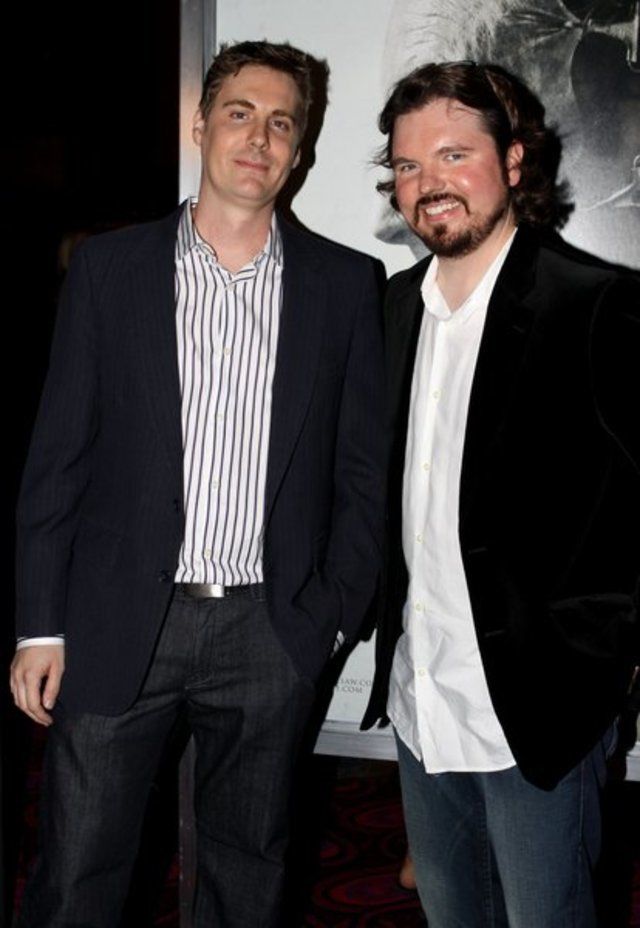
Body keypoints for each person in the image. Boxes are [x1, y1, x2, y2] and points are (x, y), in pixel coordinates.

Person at [11, 39, 385, 928]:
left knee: (246, 879)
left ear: (300, 150)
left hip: (271, 629)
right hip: (115, 618)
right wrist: (40, 623)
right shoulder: (109, 269)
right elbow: (58, 457)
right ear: (202, 125)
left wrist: (331, 615)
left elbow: (363, 473)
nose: (259, 138)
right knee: (77, 874)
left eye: (281, 123)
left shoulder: (346, 285)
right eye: (240, 114)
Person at [361, 60, 640, 927]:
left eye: (455, 155)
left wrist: (601, 656)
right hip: (421, 699)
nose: (429, 184)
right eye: (409, 165)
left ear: (515, 160)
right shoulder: (391, 310)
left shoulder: (596, 306)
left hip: (539, 711)